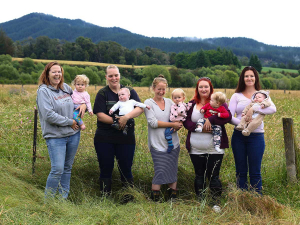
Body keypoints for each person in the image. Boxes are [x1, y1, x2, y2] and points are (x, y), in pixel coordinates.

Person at [36, 61, 86, 199]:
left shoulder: (65, 88)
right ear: (47, 73)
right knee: (57, 169)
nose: (57, 74)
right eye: (54, 72)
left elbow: (78, 99)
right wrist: (70, 122)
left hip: (73, 134)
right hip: (55, 136)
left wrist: (83, 105)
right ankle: (49, 201)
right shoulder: (43, 91)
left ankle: (62, 199)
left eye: (59, 71)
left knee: (67, 168)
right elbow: (48, 115)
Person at [93, 65, 144, 198]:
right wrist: (117, 122)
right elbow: (100, 115)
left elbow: (139, 108)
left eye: (116, 75)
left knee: (126, 167)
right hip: (105, 137)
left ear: (119, 75)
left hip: (126, 137)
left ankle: (128, 197)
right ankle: (105, 198)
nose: (113, 78)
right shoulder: (102, 93)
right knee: (106, 167)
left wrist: (126, 117)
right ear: (106, 77)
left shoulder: (130, 91)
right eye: (110, 76)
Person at [183, 77, 232, 212]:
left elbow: (227, 117)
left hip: (214, 147)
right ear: (197, 89)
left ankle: (215, 203)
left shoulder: (219, 102)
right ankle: (201, 201)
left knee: (213, 175)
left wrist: (210, 119)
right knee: (199, 174)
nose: (203, 89)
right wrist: (200, 127)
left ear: (211, 88)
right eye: (201, 87)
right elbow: (186, 122)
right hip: (196, 147)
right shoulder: (192, 104)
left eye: (206, 87)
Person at [229, 66, 276, 194]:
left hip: (257, 137)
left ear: (255, 78)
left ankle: (257, 199)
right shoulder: (236, 96)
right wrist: (243, 123)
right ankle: (242, 199)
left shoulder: (262, 95)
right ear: (242, 79)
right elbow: (229, 116)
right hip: (239, 136)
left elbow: (272, 109)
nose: (249, 78)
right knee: (241, 170)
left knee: (255, 171)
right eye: (246, 76)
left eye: (251, 76)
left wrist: (253, 109)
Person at [144, 75, 183, 202]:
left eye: (163, 89)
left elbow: (179, 118)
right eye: (159, 89)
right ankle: (155, 200)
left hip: (173, 144)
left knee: (172, 170)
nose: (161, 92)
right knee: (160, 171)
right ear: (153, 88)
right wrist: (172, 125)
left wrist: (178, 126)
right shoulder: (148, 103)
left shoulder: (171, 102)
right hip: (157, 144)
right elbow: (153, 123)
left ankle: (173, 199)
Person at [164, 88, 192, 153]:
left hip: (176, 121)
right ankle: (170, 143)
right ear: (172, 99)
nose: (177, 99)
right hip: (173, 120)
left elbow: (181, 112)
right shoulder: (173, 105)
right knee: (168, 131)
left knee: (167, 132)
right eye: (175, 98)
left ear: (183, 98)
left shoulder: (181, 105)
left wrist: (180, 104)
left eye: (179, 97)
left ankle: (170, 145)